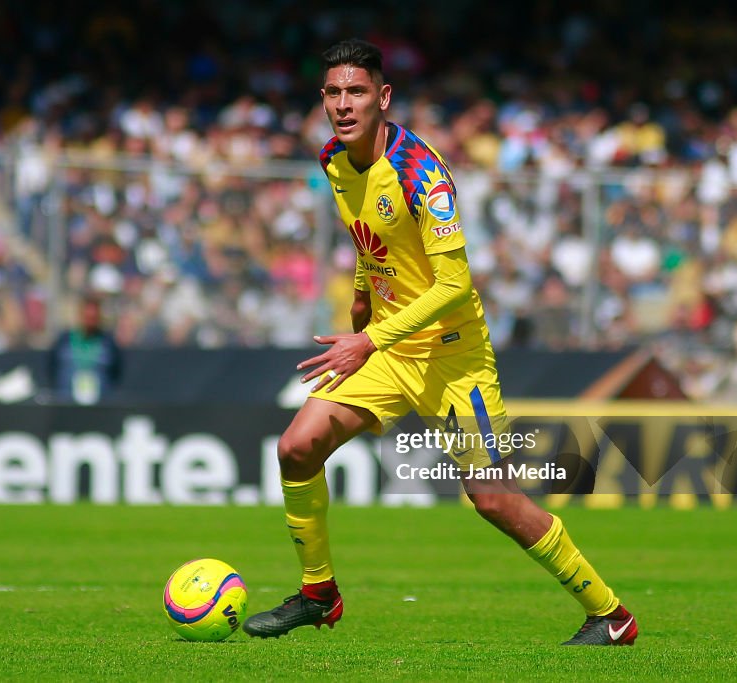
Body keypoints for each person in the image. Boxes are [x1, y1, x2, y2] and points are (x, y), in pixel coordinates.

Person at [243, 39, 638, 646]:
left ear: (383, 97)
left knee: (494, 501)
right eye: (333, 93)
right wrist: (360, 297)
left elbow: (455, 284)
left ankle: (610, 615)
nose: (344, 105)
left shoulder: (423, 173)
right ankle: (320, 594)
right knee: (297, 448)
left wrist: (368, 337)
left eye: (357, 92)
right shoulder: (332, 159)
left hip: (453, 358)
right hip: (388, 346)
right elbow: (370, 241)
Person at [49, 296, 123, 404]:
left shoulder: (108, 343)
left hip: (100, 407)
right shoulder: (64, 341)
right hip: (66, 405)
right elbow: (52, 368)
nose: (90, 320)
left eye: (94, 317)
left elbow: (116, 372)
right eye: (87, 316)